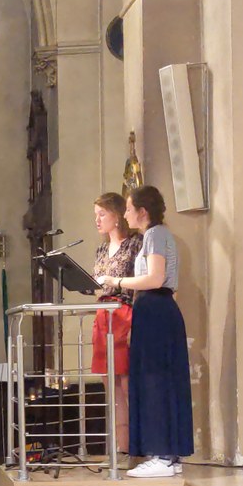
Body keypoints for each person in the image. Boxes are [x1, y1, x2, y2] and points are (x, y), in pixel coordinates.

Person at [103, 185, 194, 478]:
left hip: (156, 310)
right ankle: (167, 455)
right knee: (158, 379)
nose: (126, 214)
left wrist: (116, 281)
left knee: (157, 380)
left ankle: (164, 455)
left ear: (143, 211)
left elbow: (155, 278)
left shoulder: (155, 234)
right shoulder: (154, 236)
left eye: (129, 209)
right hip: (156, 311)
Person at [91, 193, 142, 453]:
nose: (97, 220)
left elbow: (140, 282)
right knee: (110, 385)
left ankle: (138, 445)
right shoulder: (101, 249)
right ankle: (121, 448)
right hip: (103, 316)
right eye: (95, 215)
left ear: (117, 215)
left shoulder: (134, 244)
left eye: (102, 214)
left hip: (125, 313)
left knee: (127, 382)